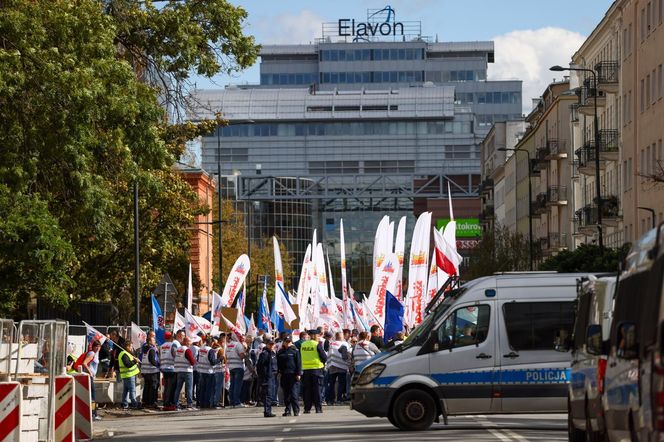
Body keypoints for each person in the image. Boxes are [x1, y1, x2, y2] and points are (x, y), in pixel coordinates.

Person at [300, 329, 327, 414]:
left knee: (307, 390)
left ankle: (307, 409)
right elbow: (324, 357)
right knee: (317, 390)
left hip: (305, 370)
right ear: (314, 336)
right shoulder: (316, 344)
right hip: (316, 369)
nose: (319, 337)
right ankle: (318, 408)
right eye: (318, 335)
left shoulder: (303, 344)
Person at [277, 335, 301, 416]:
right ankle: (288, 410)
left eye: (289, 342)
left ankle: (296, 410)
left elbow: (298, 363)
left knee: (294, 394)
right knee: (286, 394)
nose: (287, 343)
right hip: (284, 374)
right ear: (283, 342)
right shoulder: (280, 352)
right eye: (286, 342)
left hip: (293, 375)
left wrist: (298, 374)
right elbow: (278, 363)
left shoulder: (295, 351)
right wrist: (278, 372)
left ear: (291, 342)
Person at [326, 332, 351, 405]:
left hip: (332, 365)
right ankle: (339, 399)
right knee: (341, 383)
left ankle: (331, 400)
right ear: (341, 337)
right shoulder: (344, 344)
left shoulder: (331, 344)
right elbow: (347, 354)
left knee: (332, 384)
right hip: (341, 366)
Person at [174, 336, 197, 410]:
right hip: (187, 371)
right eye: (189, 341)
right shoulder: (187, 350)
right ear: (186, 342)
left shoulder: (178, 349)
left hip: (179, 371)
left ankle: (176, 403)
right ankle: (189, 404)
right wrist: (195, 360)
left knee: (178, 388)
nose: (190, 343)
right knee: (189, 388)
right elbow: (192, 362)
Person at [257, 337, 277, 417]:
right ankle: (267, 411)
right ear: (267, 345)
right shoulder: (265, 353)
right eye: (270, 344)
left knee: (270, 394)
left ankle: (268, 410)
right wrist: (262, 376)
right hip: (267, 377)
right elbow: (260, 366)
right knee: (267, 395)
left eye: (273, 344)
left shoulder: (273, 353)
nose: (272, 346)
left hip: (272, 376)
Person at [82, 340, 102, 421]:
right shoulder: (92, 353)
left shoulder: (96, 354)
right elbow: (84, 363)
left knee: (92, 396)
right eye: (96, 346)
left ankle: (93, 413)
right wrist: (90, 372)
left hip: (91, 377)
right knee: (92, 396)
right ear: (93, 347)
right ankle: (93, 414)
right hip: (89, 377)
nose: (97, 348)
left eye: (99, 346)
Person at [117, 341, 141, 410]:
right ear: (127, 346)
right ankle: (134, 403)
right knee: (132, 390)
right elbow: (128, 364)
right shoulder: (124, 354)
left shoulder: (127, 353)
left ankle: (125, 404)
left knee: (126, 390)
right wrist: (135, 361)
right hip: (129, 375)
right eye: (130, 346)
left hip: (128, 375)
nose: (131, 348)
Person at [140, 333, 160, 408]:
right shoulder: (151, 349)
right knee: (153, 387)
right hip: (152, 371)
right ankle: (151, 402)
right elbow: (152, 360)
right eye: (153, 340)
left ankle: (145, 401)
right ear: (150, 342)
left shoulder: (145, 348)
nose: (154, 341)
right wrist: (158, 365)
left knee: (147, 387)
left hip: (145, 371)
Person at [196, 335, 217, 408]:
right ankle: (207, 404)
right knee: (208, 389)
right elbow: (213, 362)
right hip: (209, 372)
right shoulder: (210, 350)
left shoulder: (200, 349)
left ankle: (202, 404)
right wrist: (220, 359)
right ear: (211, 343)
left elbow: (198, 359)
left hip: (202, 371)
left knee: (202, 389)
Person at [226, 335, 247, 407]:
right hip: (238, 366)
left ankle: (232, 402)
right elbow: (241, 356)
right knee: (237, 385)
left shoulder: (228, 345)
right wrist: (245, 353)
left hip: (231, 367)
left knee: (232, 385)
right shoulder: (238, 345)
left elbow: (226, 356)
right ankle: (237, 402)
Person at [159, 331, 178, 411]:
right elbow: (176, 356)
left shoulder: (161, 346)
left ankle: (166, 402)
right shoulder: (173, 345)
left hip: (164, 368)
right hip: (172, 368)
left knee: (167, 387)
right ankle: (169, 403)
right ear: (171, 337)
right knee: (171, 387)